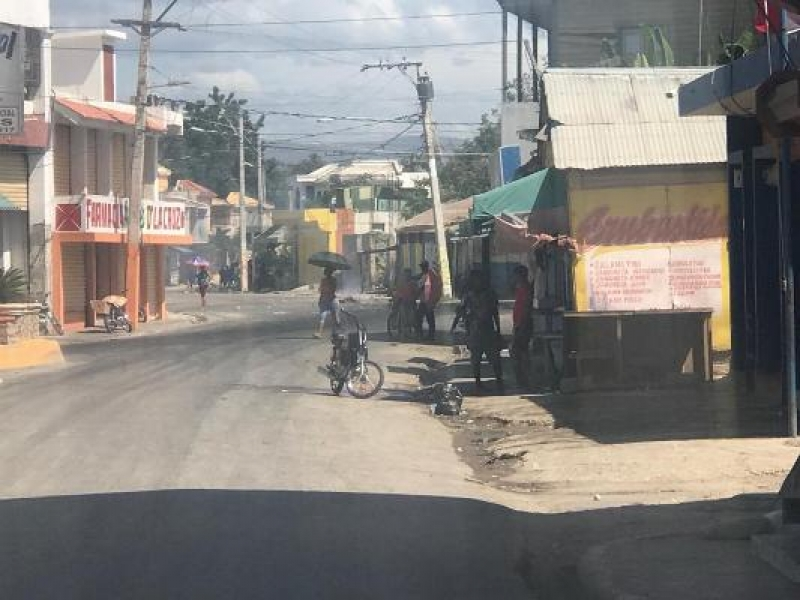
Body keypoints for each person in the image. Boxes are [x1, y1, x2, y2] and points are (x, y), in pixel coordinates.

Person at [452, 269, 504, 393]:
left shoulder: (490, 294)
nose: (477, 282)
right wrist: (457, 324)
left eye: (478, 279)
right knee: (476, 360)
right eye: (474, 279)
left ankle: (499, 381)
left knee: (495, 359)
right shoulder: (469, 295)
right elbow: (460, 311)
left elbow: (495, 313)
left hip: (488, 330)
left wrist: (498, 330)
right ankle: (478, 383)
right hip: (475, 331)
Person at [511, 264, 534, 389]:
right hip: (520, 324)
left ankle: (524, 379)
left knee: (520, 352)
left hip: (523, 324)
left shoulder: (525, 289)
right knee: (519, 352)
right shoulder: (520, 289)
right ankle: (523, 379)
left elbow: (525, 308)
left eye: (515, 275)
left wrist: (521, 324)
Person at [416, 260, 443, 341]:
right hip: (431, 300)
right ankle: (431, 335)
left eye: (422, 266)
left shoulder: (426, 276)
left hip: (426, 301)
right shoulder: (432, 274)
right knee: (430, 319)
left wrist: (417, 291)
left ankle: (420, 335)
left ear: (424, 267)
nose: (421, 268)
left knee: (419, 318)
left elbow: (420, 286)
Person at [315, 267, 338, 338]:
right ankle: (335, 332)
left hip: (325, 300)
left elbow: (320, 290)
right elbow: (333, 289)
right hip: (330, 300)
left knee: (323, 317)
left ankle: (320, 333)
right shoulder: (333, 280)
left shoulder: (324, 280)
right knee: (334, 317)